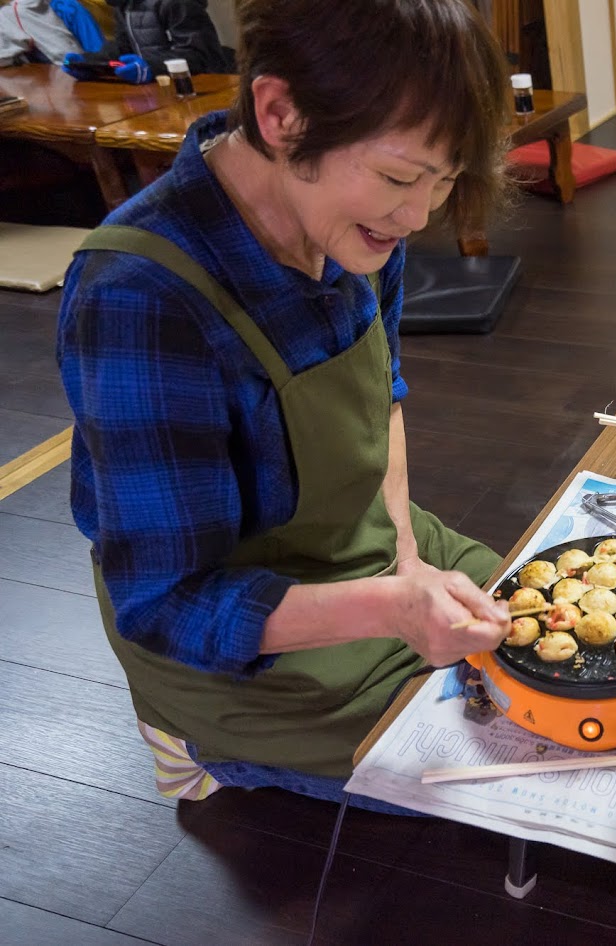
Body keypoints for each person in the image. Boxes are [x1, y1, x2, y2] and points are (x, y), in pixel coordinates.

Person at [57, 0, 512, 808]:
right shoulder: (141, 293)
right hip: (230, 635)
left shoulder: (362, 228)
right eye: (402, 177)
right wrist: (390, 604)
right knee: (493, 764)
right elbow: (164, 603)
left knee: (554, 633)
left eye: (443, 183)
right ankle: (189, 738)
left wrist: (404, 556)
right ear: (279, 114)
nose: (418, 217)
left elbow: (384, 399)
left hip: (367, 544)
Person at [98, 0, 233, 76]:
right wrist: (91, 63)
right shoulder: (125, 6)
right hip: (161, 89)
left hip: (205, 86)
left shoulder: (176, 3)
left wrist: (150, 68)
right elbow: (123, 48)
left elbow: (199, 56)